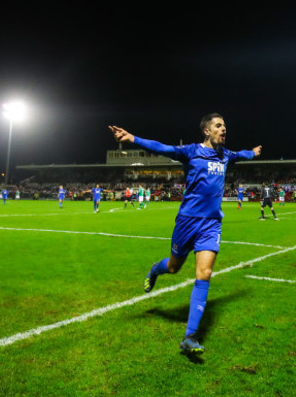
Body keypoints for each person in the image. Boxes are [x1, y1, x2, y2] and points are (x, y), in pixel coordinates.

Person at [109, 113, 261, 355]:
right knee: (173, 267)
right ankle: (154, 269)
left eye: (225, 126)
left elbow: (242, 155)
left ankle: (190, 336)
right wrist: (133, 138)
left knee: (205, 272)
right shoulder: (191, 151)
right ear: (206, 131)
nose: (224, 129)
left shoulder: (226, 155)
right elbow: (162, 147)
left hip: (212, 224)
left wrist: (253, 152)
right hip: (187, 222)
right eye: (218, 126)